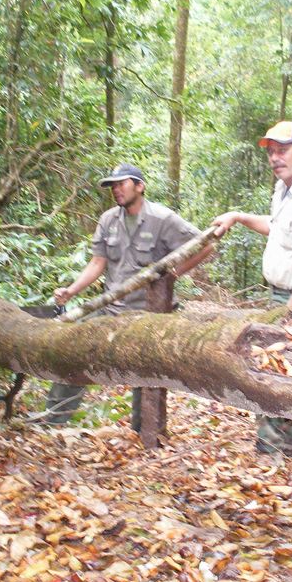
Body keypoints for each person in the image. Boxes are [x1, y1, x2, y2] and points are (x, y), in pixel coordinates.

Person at [44, 163, 213, 428]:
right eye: (113, 186)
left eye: (122, 184)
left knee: (145, 375)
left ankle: (144, 431)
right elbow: (97, 262)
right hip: (112, 308)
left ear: (139, 186)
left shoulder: (163, 219)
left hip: (150, 314)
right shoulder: (108, 220)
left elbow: (205, 244)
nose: (116, 190)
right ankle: (54, 420)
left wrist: (173, 275)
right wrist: (72, 290)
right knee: (73, 350)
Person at [211, 121, 292, 456]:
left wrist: (290, 311)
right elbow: (277, 228)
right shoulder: (285, 189)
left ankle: (276, 447)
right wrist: (238, 216)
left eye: (283, 150)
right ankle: (283, 444)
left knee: (284, 370)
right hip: (283, 295)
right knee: (276, 368)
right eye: (271, 152)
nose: (275, 158)